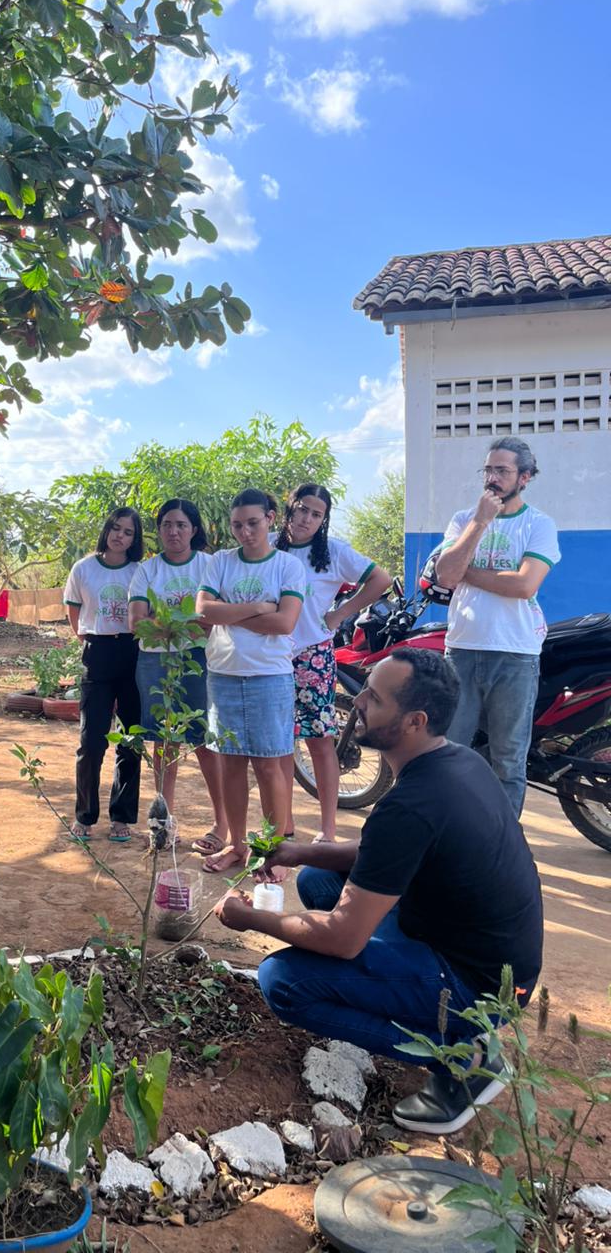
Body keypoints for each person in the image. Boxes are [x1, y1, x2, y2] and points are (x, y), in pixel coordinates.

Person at [215, 649, 543, 1135]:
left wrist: (248, 918)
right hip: (478, 952)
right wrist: (300, 852)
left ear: (415, 721)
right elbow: (382, 850)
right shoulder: (456, 762)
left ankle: (462, 1061)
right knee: (316, 880)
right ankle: (402, 1001)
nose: (358, 702)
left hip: (477, 988)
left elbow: (343, 939)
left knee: (283, 981)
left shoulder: (412, 804)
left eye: (374, 698)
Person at [435, 436, 560, 817]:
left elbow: (524, 585)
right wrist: (480, 522)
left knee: (508, 758)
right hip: (462, 650)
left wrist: (468, 573)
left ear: (524, 477)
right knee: (448, 750)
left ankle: (502, 841)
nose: (492, 478)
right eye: (488, 469)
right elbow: (445, 575)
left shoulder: (539, 524)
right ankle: (450, 832)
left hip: (515, 654)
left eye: (502, 471)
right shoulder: (464, 520)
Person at [195, 489, 305, 875]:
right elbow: (203, 611)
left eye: (253, 523)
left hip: (269, 677)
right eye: (237, 525)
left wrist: (228, 613)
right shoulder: (221, 562)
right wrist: (258, 608)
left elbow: (285, 622)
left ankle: (272, 853)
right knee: (230, 765)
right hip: (223, 675)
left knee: (269, 767)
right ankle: (238, 846)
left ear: (271, 519)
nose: (245, 532)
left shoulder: (287, 566)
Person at [276, 485, 392, 842]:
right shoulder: (268, 545)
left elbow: (381, 579)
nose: (306, 519)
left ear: (324, 519)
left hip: (312, 655)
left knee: (319, 740)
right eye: (302, 509)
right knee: (279, 743)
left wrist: (339, 614)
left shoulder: (333, 552)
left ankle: (328, 831)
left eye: (316, 514)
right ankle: (283, 825)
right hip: (270, 657)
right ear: (289, 508)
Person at [128, 499, 228, 850]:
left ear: (194, 530)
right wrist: (189, 624)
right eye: (167, 524)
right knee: (164, 742)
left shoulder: (210, 565)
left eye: (181, 525)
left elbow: (215, 620)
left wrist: (163, 624)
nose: (173, 531)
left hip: (200, 660)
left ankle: (221, 823)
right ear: (159, 530)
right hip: (154, 663)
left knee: (204, 742)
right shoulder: (147, 571)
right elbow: (136, 623)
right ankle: (162, 824)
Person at [64, 507, 143, 843]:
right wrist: (86, 639)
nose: (119, 536)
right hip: (97, 652)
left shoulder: (139, 571)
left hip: (132, 653)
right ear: (106, 530)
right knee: (91, 741)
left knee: (129, 740)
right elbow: (73, 610)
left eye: (128, 531)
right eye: (115, 528)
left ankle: (121, 817)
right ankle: (84, 816)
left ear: (135, 538)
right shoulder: (83, 568)